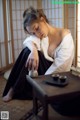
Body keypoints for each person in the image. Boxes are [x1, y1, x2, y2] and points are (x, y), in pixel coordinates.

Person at [3, 7, 79, 116]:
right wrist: (34, 50)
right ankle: (14, 89)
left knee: (66, 106)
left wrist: (41, 83)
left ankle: (20, 89)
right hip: (45, 73)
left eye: (37, 28)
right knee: (28, 51)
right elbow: (28, 41)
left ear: (42, 19)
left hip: (58, 74)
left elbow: (62, 67)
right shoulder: (41, 35)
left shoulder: (65, 36)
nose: (37, 34)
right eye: (33, 33)